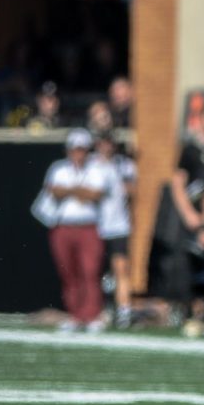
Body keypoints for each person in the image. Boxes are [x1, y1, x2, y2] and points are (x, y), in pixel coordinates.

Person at [42, 129, 108, 332]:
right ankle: (75, 314)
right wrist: (78, 190)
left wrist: (69, 190)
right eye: (74, 149)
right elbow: (53, 189)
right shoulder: (59, 168)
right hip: (63, 226)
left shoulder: (97, 168)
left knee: (89, 271)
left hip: (88, 226)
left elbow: (95, 194)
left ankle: (92, 314)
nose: (78, 154)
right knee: (68, 272)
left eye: (81, 149)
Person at [93, 131, 136, 329]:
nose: (106, 146)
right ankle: (99, 309)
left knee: (121, 268)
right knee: (95, 270)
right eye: (103, 142)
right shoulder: (91, 164)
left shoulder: (123, 165)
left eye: (109, 142)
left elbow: (133, 191)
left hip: (118, 225)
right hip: (95, 224)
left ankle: (124, 311)